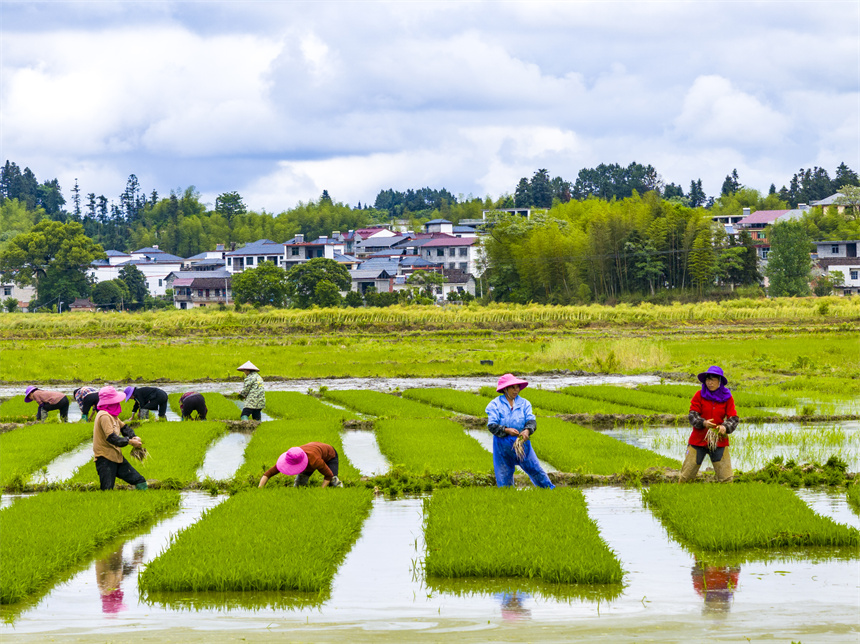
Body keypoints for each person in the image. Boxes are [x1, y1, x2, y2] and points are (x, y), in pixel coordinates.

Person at [485, 374, 554, 489]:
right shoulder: (495, 405)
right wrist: (506, 430)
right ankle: (507, 495)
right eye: (513, 387)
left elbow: (531, 420)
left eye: (517, 387)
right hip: (502, 444)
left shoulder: (524, 403)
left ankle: (548, 489)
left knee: (534, 468)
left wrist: (527, 431)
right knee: (504, 473)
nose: (516, 390)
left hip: (521, 441)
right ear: (505, 389)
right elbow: (492, 425)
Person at [680, 365, 739, 483]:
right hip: (698, 440)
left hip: (719, 440)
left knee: (726, 479)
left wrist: (724, 427)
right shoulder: (699, 395)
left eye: (713, 380)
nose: (710, 383)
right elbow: (692, 415)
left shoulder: (727, 397)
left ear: (719, 381)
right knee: (686, 477)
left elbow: (733, 418)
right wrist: (703, 422)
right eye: (708, 379)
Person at [92, 386, 147, 491]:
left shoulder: (113, 416)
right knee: (107, 490)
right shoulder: (104, 416)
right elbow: (112, 438)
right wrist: (131, 442)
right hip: (105, 459)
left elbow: (124, 427)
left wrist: (134, 436)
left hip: (117, 457)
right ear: (111, 402)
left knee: (140, 480)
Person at [258, 442, 344, 488]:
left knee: (333, 480)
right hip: (313, 452)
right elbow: (268, 474)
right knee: (299, 485)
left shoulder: (315, 460)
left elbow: (328, 475)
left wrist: (321, 490)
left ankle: (342, 492)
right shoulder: (291, 457)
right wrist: (260, 488)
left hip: (330, 455)